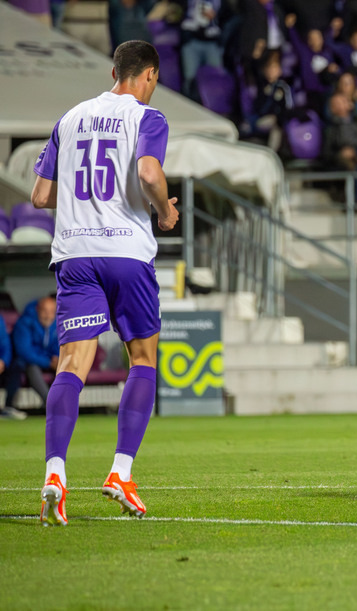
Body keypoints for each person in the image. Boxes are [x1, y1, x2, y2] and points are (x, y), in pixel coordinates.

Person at [31, 40, 179, 526]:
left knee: (71, 365)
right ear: (150, 75)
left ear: (114, 70)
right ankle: (120, 472)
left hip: (75, 253)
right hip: (126, 253)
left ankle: (55, 474)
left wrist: (83, 205)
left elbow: (40, 194)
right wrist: (164, 208)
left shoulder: (69, 118)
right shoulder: (147, 118)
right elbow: (149, 172)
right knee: (143, 357)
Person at [11, 297, 59, 407]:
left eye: (52, 312)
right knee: (32, 367)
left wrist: (57, 357)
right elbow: (24, 352)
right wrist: (48, 362)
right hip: (27, 362)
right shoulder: (24, 323)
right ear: (38, 309)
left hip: (48, 360)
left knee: (64, 366)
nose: (48, 315)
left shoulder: (57, 324)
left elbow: (59, 344)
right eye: (44, 311)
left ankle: (63, 403)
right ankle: (50, 404)